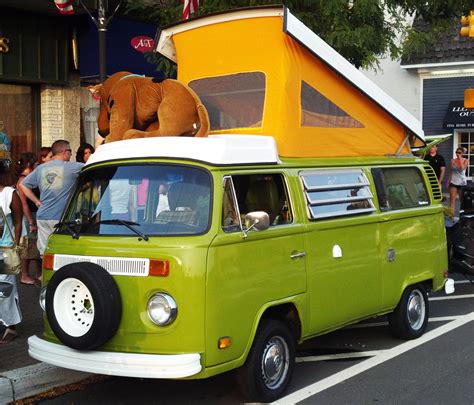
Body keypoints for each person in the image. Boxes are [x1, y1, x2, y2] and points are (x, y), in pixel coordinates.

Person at [19, 140, 84, 256]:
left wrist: (36, 201)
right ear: (64, 152)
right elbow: (93, 167)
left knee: (45, 253)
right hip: (61, 218)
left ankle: (47, 274)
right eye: (70, 151)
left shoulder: (40, 168)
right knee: (62, 252)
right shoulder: (73, 167)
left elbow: (23, 185)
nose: (71, 155)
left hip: (43, 217)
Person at [0, 159, 23, 343]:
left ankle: (11, 326)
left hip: (6, 248)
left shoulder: (9, 194)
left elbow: (17, 221)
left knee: (5, 288)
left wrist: (15, 244)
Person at [15, 153, 41, 285]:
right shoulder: (22, 181)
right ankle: (24, 275)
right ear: (29, 164)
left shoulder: (29, 178)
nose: (38, 165)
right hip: (29, 216)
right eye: (35, 163)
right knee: (28, 246)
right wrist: (31, 221)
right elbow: (23, 204)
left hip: (33, 214)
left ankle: (39, 273)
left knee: (35, 245)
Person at [446, 147, 469, 216]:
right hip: (453, 182)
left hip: (462, 183)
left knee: (462, 202)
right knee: (452, 201)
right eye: (456, 152)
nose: (457, 154)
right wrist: (448, 181)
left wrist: (460, 159)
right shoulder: (452, 161)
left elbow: (462, 168)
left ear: (462, 153)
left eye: (459, 153)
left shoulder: (466, 160)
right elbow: (451, 172)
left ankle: (462, 217)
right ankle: (451, 217)